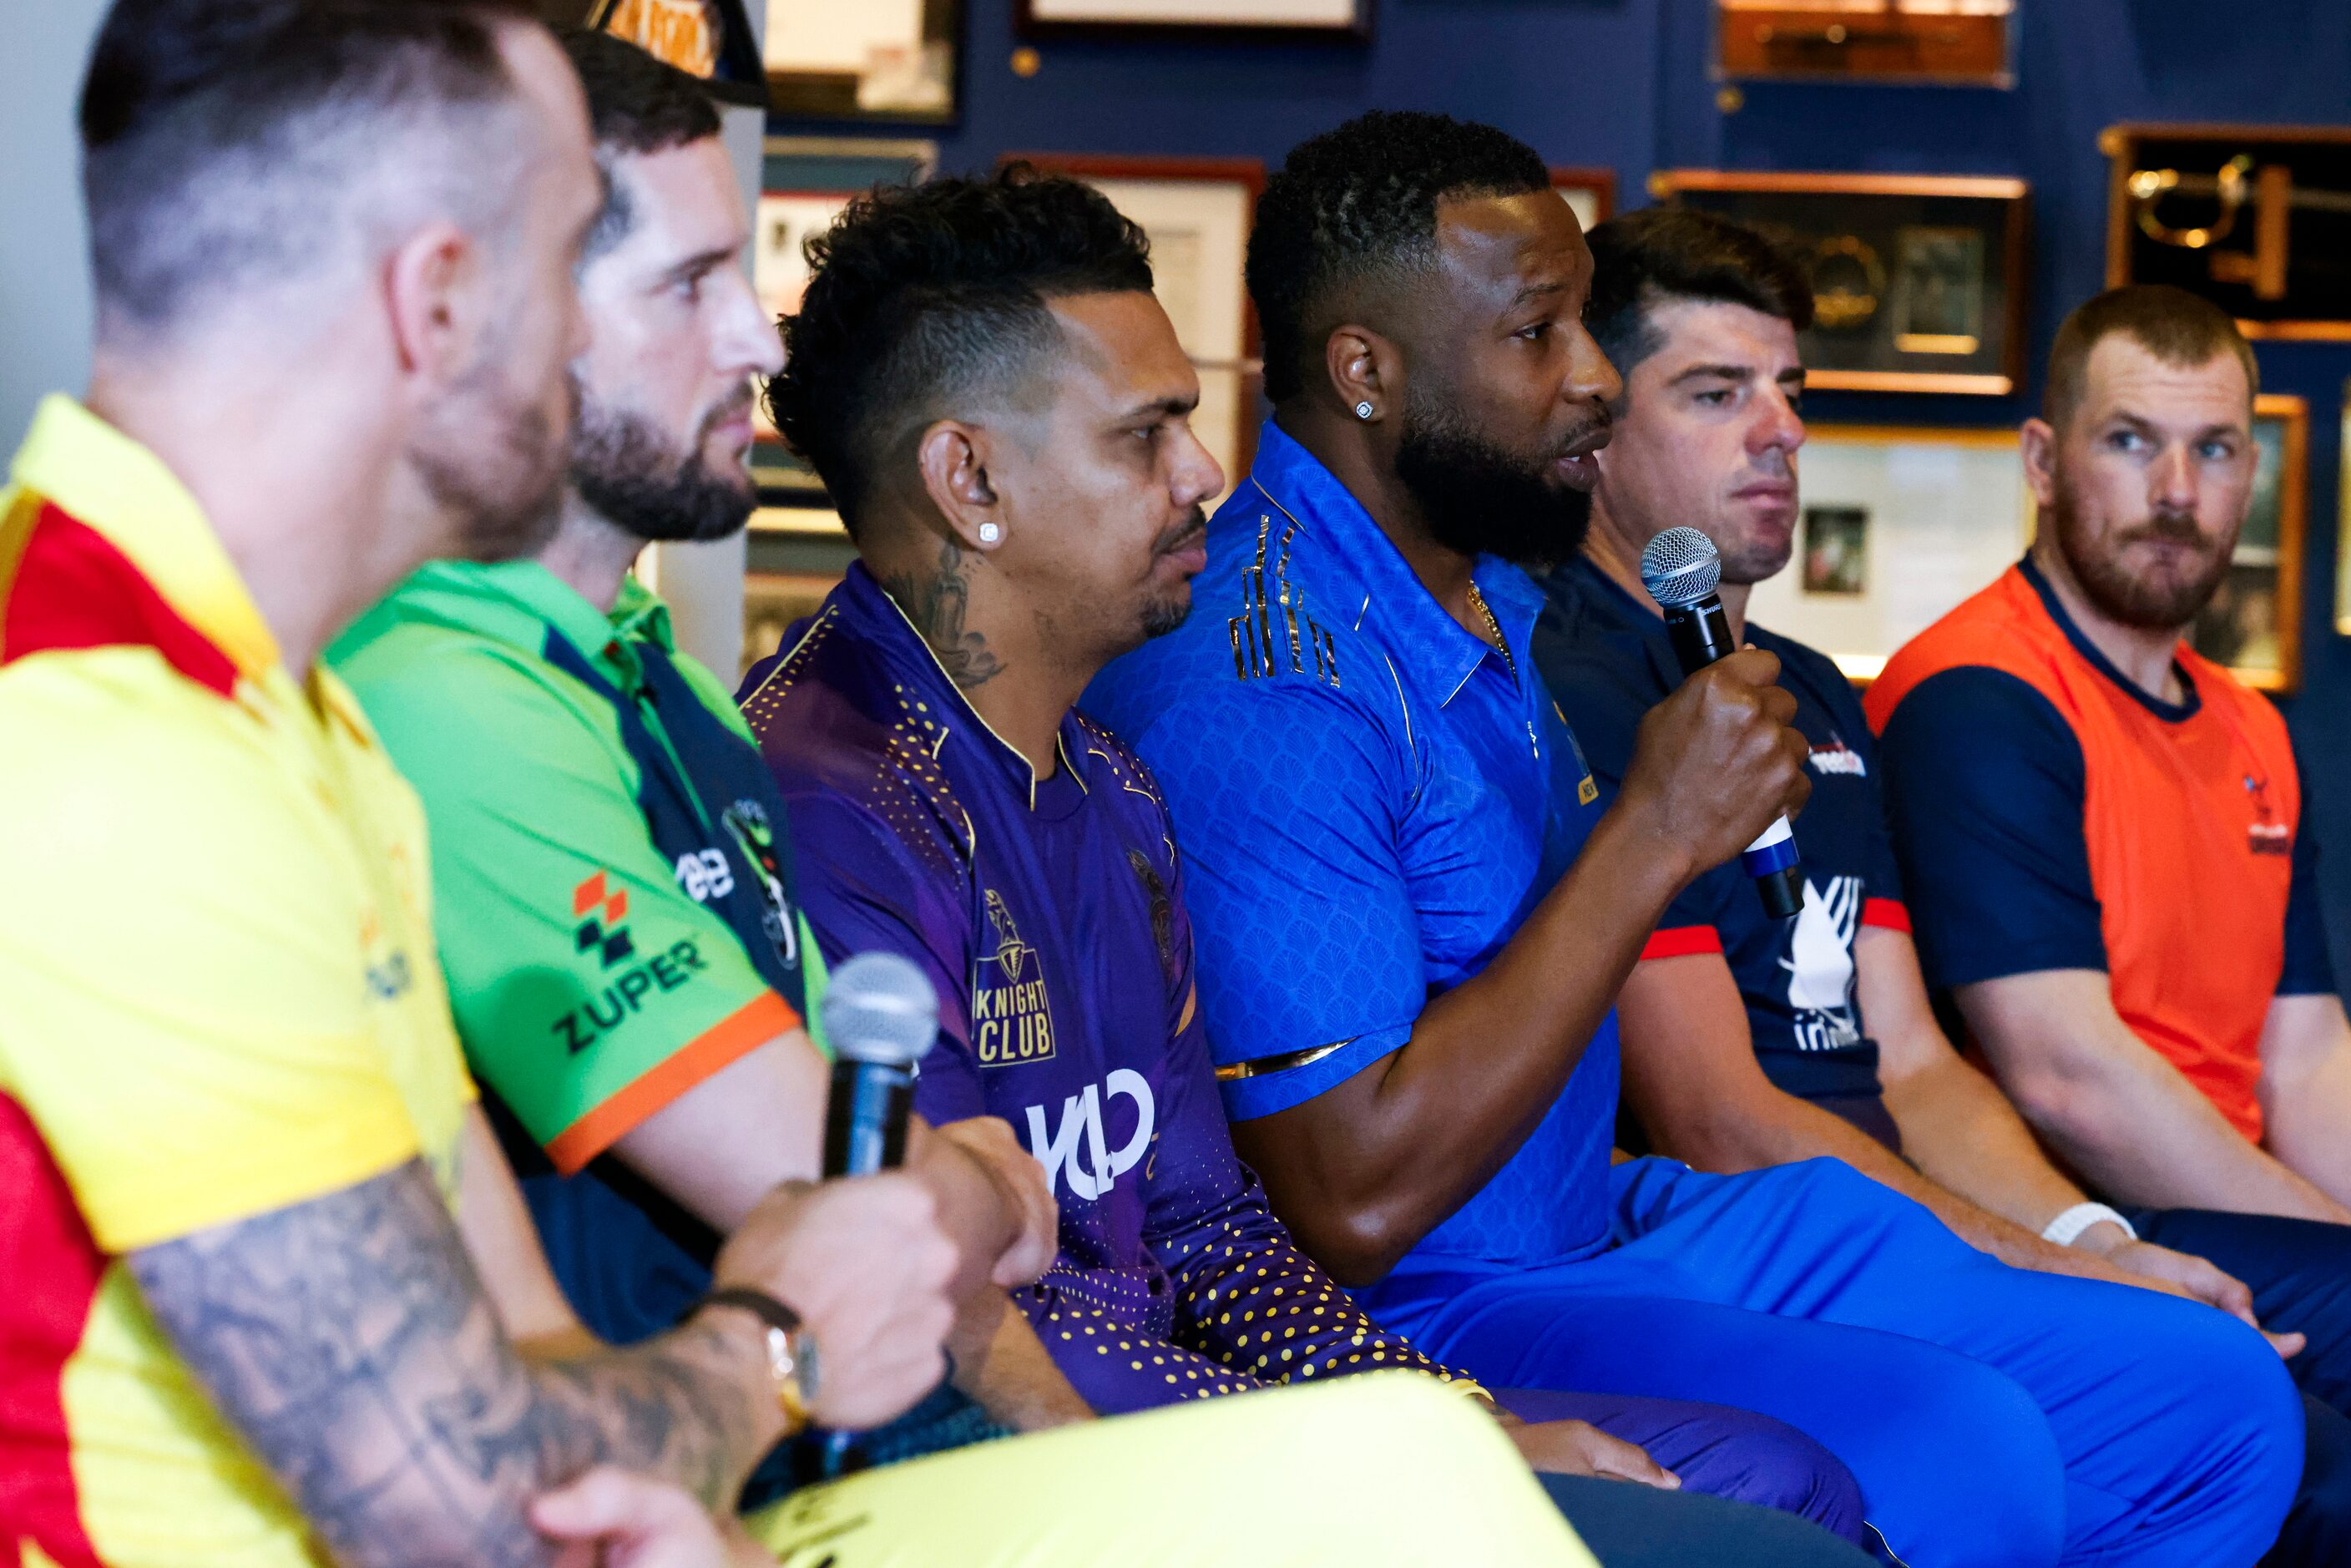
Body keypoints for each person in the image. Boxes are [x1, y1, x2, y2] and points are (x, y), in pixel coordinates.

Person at [301, 30, 1601, 1568]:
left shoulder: (672, 695)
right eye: (688, 286)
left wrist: (1434, 1417)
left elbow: (1185, 1228)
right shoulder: (535, 715)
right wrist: (1315, 1461)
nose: (748, 343)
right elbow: (907, 1229)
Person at [1083, 109, 2305, 1568]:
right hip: (1435, 1293)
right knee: (1971, 1452)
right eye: (1543, 336)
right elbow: (1348, 1200)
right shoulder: (1269, 675)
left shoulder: (1494, 596)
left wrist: (2077, 1244)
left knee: (2214, 1402)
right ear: (1367, 371)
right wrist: (1654, 833)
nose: (1593, 381)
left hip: (1606, 1211)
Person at [737, 162, 1878, 1565]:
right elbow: (976, 1327)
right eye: (1146, 433)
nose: (1205, 470)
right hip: (1010, 1483)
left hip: (1204, 1433)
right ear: (970, 478)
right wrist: (1386, 1446)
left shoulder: (1110, 784)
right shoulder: (828, 799)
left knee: (1776, 1480)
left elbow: (1214, 1234)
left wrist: (1443, 1413)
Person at [0, 3, 963, 1563]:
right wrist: (780, 1337)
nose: (742, 343)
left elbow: (527, 1365)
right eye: (572, 250)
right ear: (439, 301)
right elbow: (472, 1505)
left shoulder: (301, 724)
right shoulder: (114, 760)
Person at [1534, 209, 2351, 1566]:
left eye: (1792, 390)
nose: (1782, 430)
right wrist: (2059, 1266)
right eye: (1718, 393)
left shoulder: (1814, 692)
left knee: (2260, 1417)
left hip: (1910, 1205)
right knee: (2266, 1431)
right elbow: (1719, 1118)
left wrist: (2085, 1234)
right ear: (1599, 432)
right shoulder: (1569, 684)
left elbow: (1910, 1058)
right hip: (1757, 1240)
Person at [330, 29, 1084, 1487]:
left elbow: (887, 1207)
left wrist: (1077, 1463)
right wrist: (975, 1178)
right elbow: (866, 1187)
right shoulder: (437, 694)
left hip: (828, 1456)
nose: (755, 338)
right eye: (687, 285)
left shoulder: (652, 663)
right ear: (487, 319)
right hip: (679, 1482)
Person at [1868, 286, 2351, 1393]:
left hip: (2238, 1200)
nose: (2177, 494)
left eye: (2216, 449)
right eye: (2131, 441)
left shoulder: (2252, 726)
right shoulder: (1979, 693)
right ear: (2041, 461)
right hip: (2074, 1218)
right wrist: (2333, 1237)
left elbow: (2308, 1055)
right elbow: (2067, 1078)